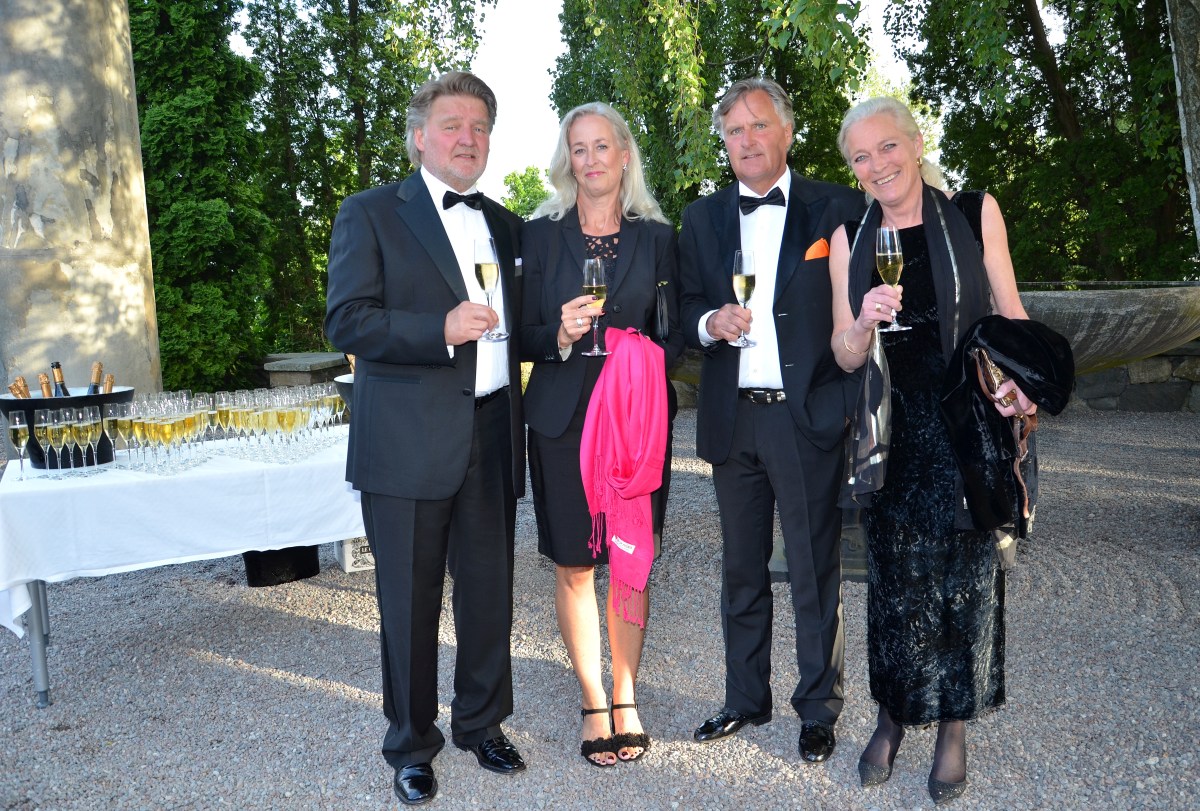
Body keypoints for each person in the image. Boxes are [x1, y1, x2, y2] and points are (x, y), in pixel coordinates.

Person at [324, 71, 526, 806]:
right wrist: (438, 329)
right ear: (419, 137)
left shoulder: (506, 224)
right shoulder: (370, 212)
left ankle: (481, 722)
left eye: (479, 127)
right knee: (409, 603)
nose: (467, 138)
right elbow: (347, 320)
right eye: (451, 125)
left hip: (494, 428)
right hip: (407, 440)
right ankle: (411, 744)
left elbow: (520, 328)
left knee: (489, 592)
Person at [828, 96, 1036, 805]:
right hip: (890, 435)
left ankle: (953, 723)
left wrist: (1023, 382)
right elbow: (844, 353)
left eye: (887, 146)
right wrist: (862, 321)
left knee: (966, 583)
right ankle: (892, 715)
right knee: (895, 584)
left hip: (967, 426)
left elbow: (1010, 313)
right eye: (861, 157)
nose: (878, 165)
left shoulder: (975, 214)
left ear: (916, 144)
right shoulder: (849, 239)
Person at [678, 77, 863, 765]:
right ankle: (744, 698)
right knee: (741, 570)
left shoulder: (837, 207)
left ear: (787, 131)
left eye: (759, 125)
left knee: (814, 570)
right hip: (733, 420)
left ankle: (818, 709)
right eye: (734, 130)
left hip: (804, 417)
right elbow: (683, 308)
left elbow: (867, 302)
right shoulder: (700, 218)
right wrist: (709, 321)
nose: (747, 139)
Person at [519, 102, 683, 768]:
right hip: (562, 419)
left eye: (601, 146)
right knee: (575, 562)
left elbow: (675, 332)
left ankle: (626, 693)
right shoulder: (538, 236)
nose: (589, 159)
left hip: (635, 421)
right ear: (568, 161)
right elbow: (518, 332)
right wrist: (558, 336)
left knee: (631, 558)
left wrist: (641, 356)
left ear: (624, 156)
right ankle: (593, 700)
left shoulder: (659, 238)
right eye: (577, 148)